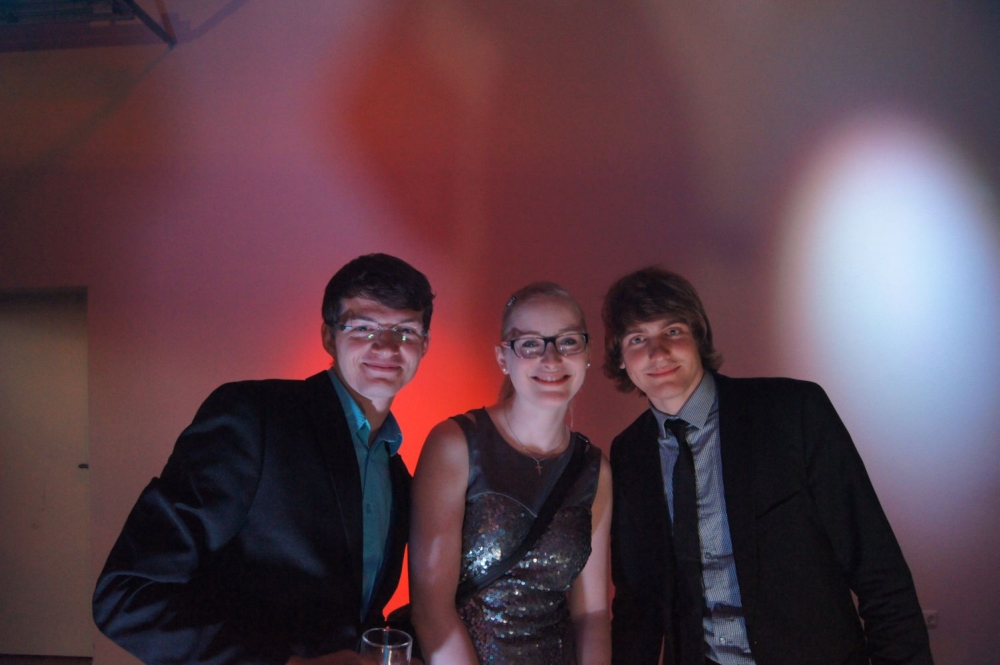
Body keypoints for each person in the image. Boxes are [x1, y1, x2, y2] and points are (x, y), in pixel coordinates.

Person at [93, 253, 434, 665]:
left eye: (405, 330)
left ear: (424, 345)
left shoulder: (397, 474)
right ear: (329, 337)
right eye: (363, 327)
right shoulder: (255, 417)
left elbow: (352, 615)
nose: (386, 346)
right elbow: (127, 594)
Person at [603, 267, 933, 665]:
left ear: (698, 335)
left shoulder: (792, 411)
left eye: (673, 331)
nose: (657, 353)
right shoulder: (629, 453)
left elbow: (878, 568)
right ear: (620, 358)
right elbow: (636, 602)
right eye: (638, 339)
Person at [408, 282, 612, 665]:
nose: (551, 358)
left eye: (568, 341)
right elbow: (431, 609)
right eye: (530, 344)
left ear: (586, 353)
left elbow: (593, 614)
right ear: (503, 357)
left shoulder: (593, 469)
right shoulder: (456, 444)